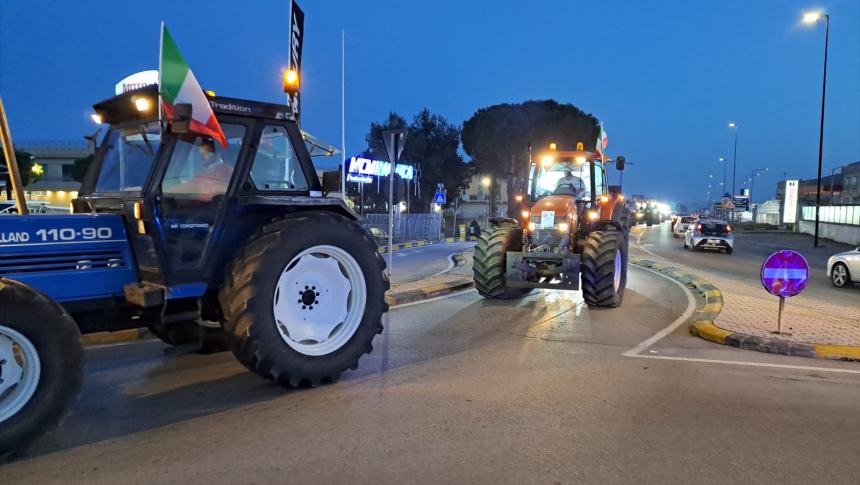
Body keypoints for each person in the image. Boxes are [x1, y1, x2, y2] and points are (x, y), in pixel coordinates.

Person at [165, 138, 234, 201]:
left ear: (218, 154)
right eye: (201, 154)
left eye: (206, 154)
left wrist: (166, 192)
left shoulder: (226, 172)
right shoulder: (204, 174)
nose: (202, 157)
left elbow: (186, 188)